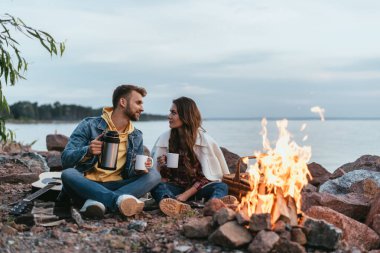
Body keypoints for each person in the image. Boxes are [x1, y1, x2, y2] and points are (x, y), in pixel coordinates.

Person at [59, 84, 161, 218]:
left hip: (118, 185)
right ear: (123, 102)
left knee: (154, 174)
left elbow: (132, 172)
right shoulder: (89, 125)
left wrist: (140, 169)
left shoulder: (136, 135)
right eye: (138, 103)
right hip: (87, 184)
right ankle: (117, 201)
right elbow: (65, 159)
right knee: (68, 174)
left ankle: (98, 202)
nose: (142, 108)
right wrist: (88, 151)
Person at [150, 96, 237, 217]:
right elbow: (165, 176)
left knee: (221, 186)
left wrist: (186, 195)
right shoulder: (166, 139)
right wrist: (162, 165)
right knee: (155, 185)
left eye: (173, 113)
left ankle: (213, 204)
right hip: (176, 189)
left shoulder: (204, 140)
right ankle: (173, 204)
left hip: (198, 190)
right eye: (170, 112)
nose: (169, 116)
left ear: (185, 116)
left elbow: (209, 177)